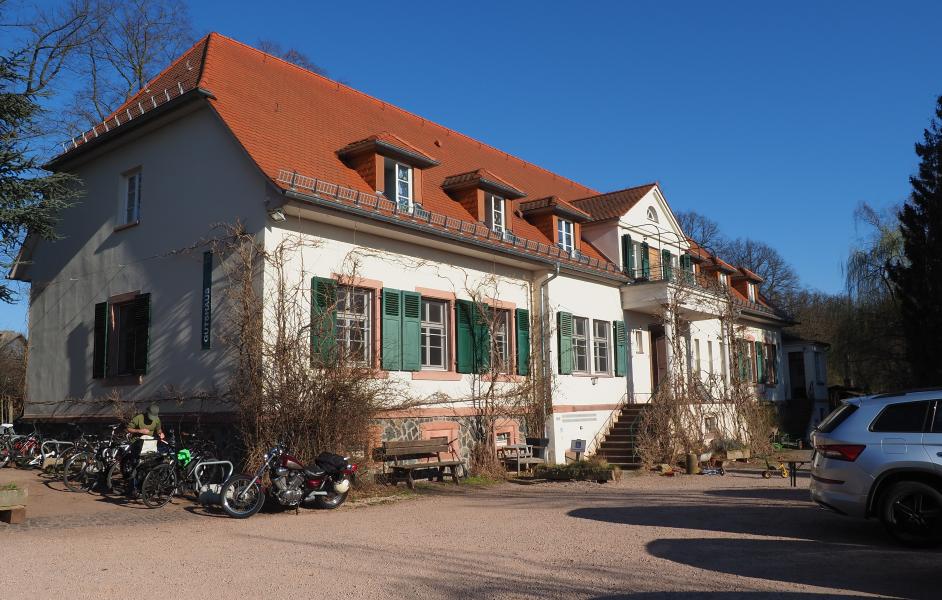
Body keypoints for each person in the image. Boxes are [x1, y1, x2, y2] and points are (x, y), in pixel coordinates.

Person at [123, 404, 163, 498]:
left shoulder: (157, 419)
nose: (151, 419)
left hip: (150, 445)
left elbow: (159, 429)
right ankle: (133, 488)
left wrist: (161, 434)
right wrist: (139, 431)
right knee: (136, 465)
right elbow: (128, 429)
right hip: (137, 444)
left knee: (149, 466)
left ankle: (145, 486)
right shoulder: (139, 418)